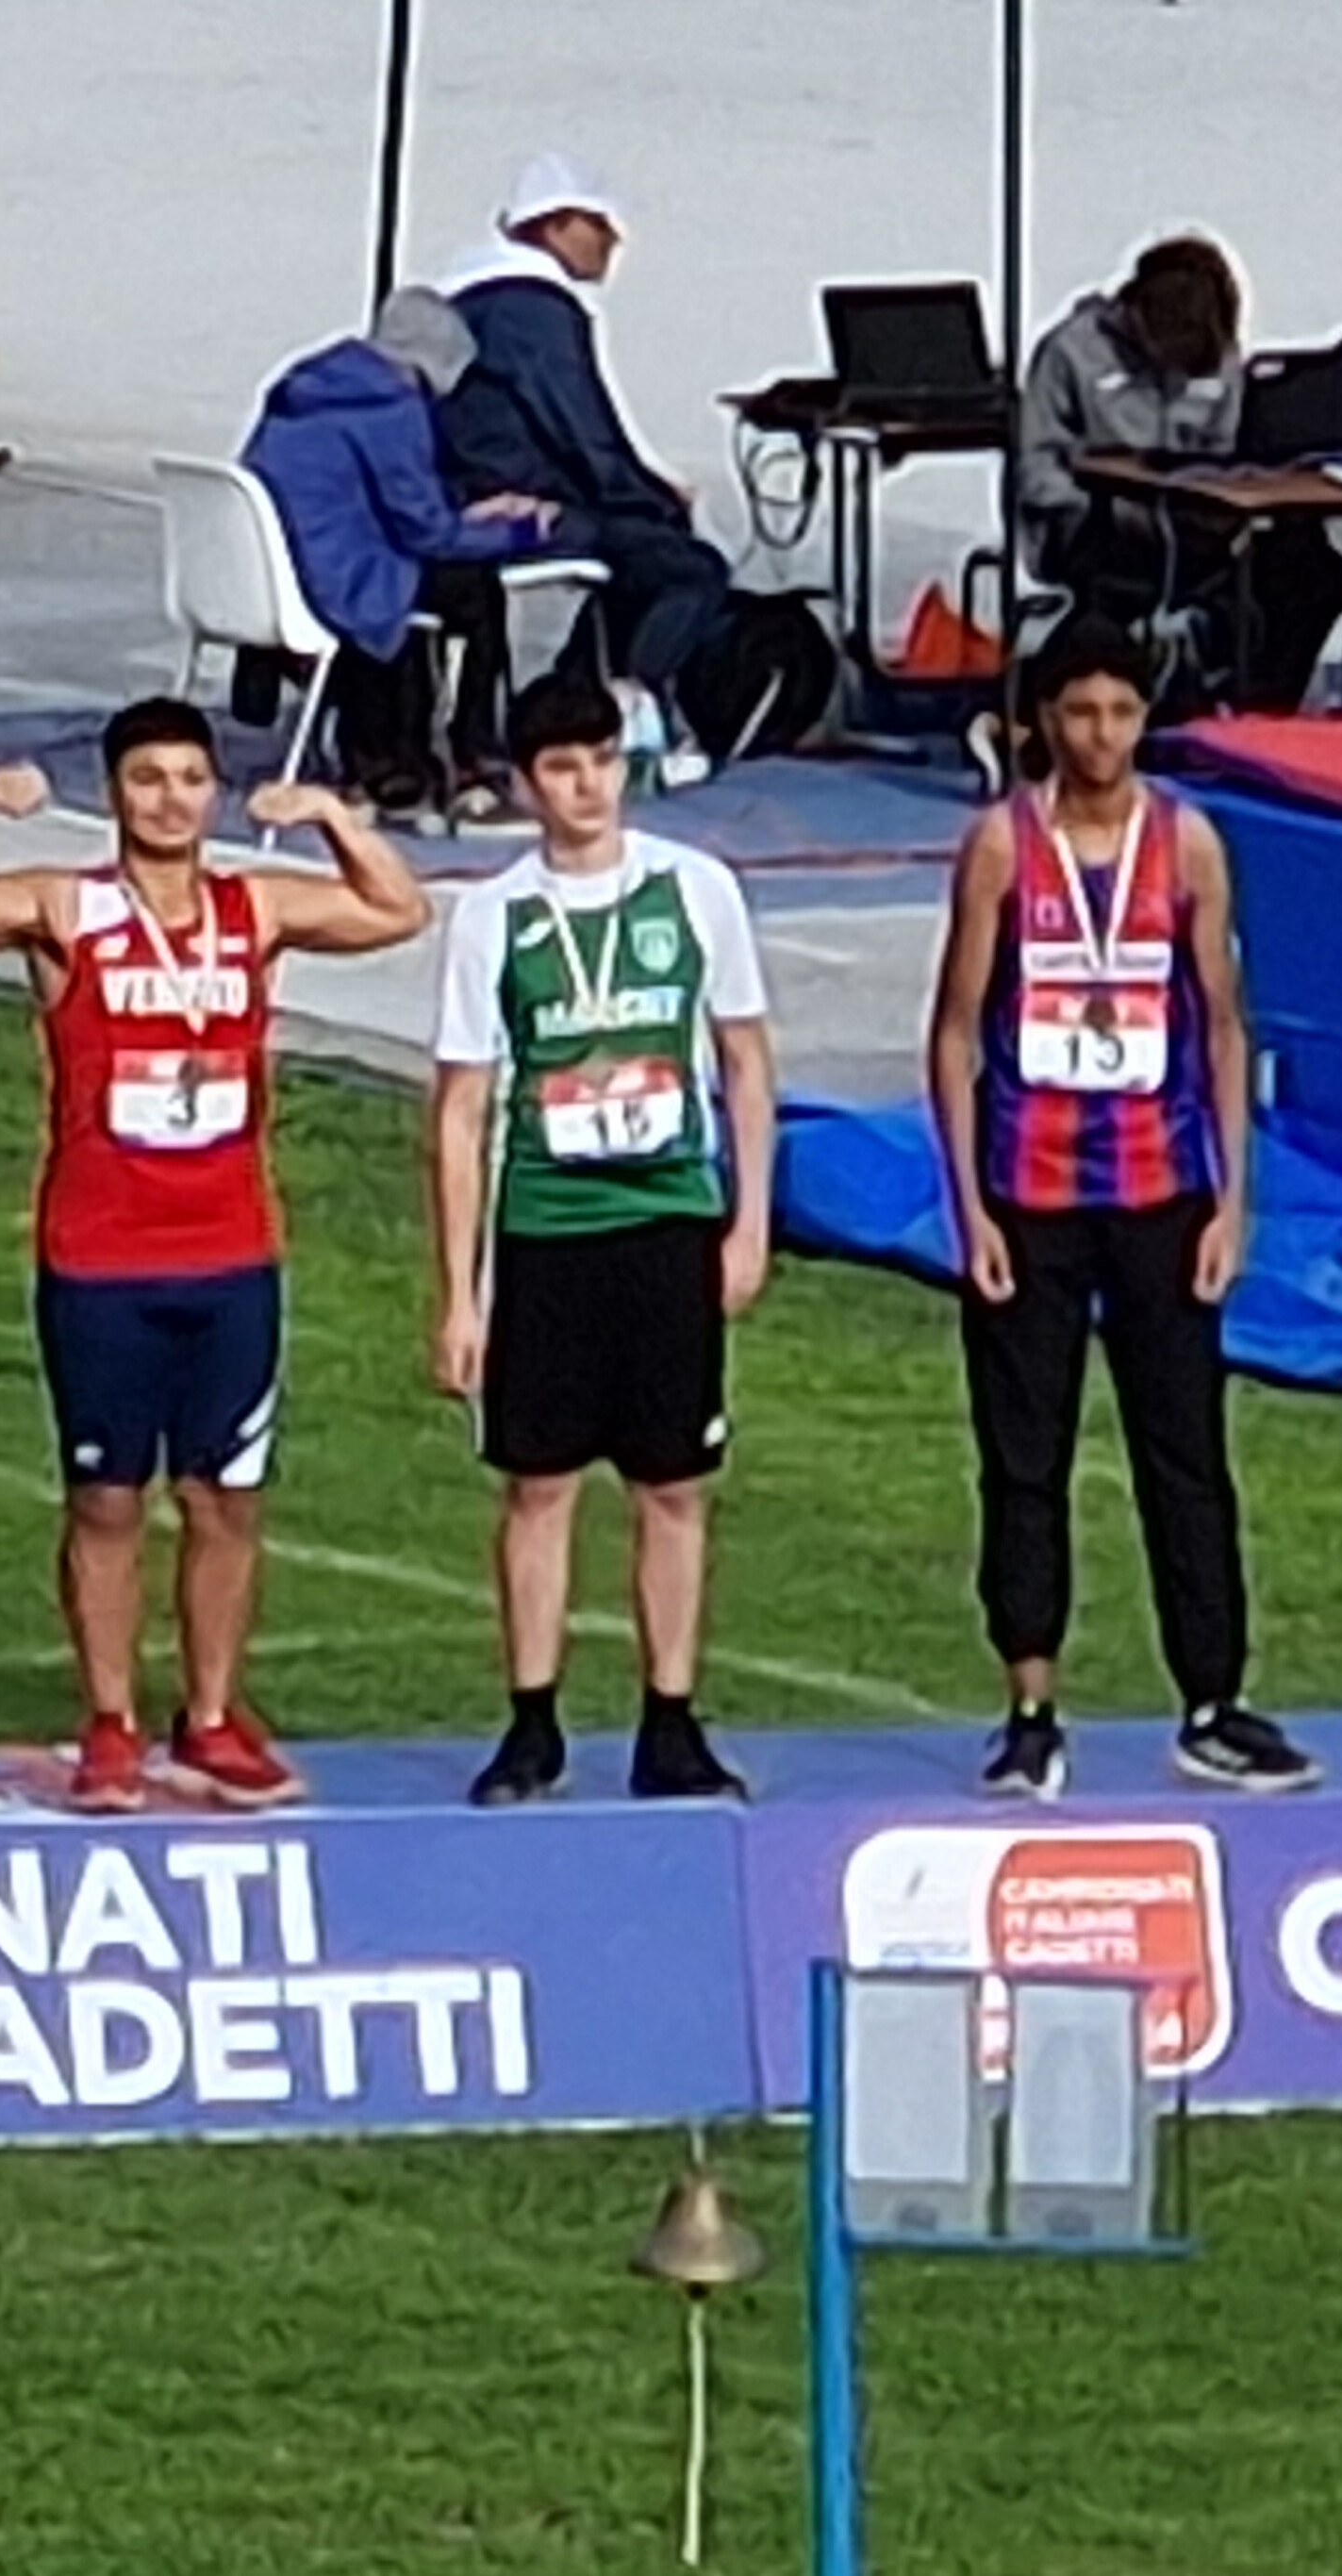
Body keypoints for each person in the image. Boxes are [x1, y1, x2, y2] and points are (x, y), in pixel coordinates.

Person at [0, 698, 431, 1813]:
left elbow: (398, 908)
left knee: (225, 1498)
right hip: (101, 1258)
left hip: (230, 1255)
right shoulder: (69, 907)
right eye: (147, 779)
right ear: (114, 792)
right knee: (106, 1500)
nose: (170, 800)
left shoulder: (252, 906)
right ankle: (108, 1721)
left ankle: (213, 1716)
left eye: (190, 778)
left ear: (214, 792)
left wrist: (331, 816)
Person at [925, 617, 1318, 1796]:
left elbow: (1223, 1026)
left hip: (1159, 1191)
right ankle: (1029, 1705)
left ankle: (1212, 1699)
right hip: (1029, 1192)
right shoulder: (1001, 846)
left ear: (1144, 719)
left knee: (1183, 1453)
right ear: (1045, 719)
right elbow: (954, 1031)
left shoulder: (1185, 843)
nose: (1101, 735)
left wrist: (1231, 1202)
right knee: (1023, 1456)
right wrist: (968, 1209)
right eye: (1081, 712)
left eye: (1121, 713)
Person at [429, 672, 773, 1807]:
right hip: (546, 1228)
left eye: (602, 762)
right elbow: (461, 1109)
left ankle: (670, 1721)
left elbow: (745, 1065)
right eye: (562, 768)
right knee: (537, 1484)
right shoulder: (494, 916)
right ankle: (531, 1723)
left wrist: (748, 1223)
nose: (587, 786)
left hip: (668, 1223)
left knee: (673, 1484)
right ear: (527, 783)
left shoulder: (696, 890)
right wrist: (459, 1293)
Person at [438, 156, 733, 749]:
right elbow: (580, 429)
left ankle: (574, 699)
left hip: (461, 496)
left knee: (638, 553)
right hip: (522, 506)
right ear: (554, 225)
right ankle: (625, 708)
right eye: (598, 223)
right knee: (692, 569)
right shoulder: (531, 309)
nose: (613, 239)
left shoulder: (465, 301)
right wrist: (654, 498)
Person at [242, 287, 558, 815]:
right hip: (344, 578)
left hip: (278, 569)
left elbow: (369, 502)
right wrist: (519, 532)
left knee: (438, 584)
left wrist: (461, 518)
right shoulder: (392, 407)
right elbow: (426, 533)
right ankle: (474, 752)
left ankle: (407, 746)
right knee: (478, 592)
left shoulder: (304, 387)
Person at [1018, 236, 1342, 714]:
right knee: (1120, 576)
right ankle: (1083, 690)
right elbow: (1036, 470)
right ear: (1141, 319)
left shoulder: (1216, 353)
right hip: (1092, 526)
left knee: (1312, 572)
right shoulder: (1070, 352)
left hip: (1195, 523)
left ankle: (1260, 705)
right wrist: (1106, 509)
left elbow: (1226, 450)